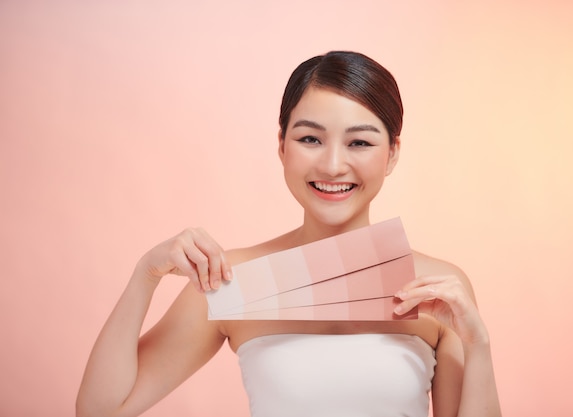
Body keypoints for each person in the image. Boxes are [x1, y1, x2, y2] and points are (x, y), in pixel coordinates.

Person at [76, 51, 502, 417]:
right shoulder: (230, 282)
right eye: (311, 138)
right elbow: (101, 410)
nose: (333, 165)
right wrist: (145, 276)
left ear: (392, 153)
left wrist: (478, 344)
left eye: (359, 143)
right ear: (282, 145)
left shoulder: (437, 291)